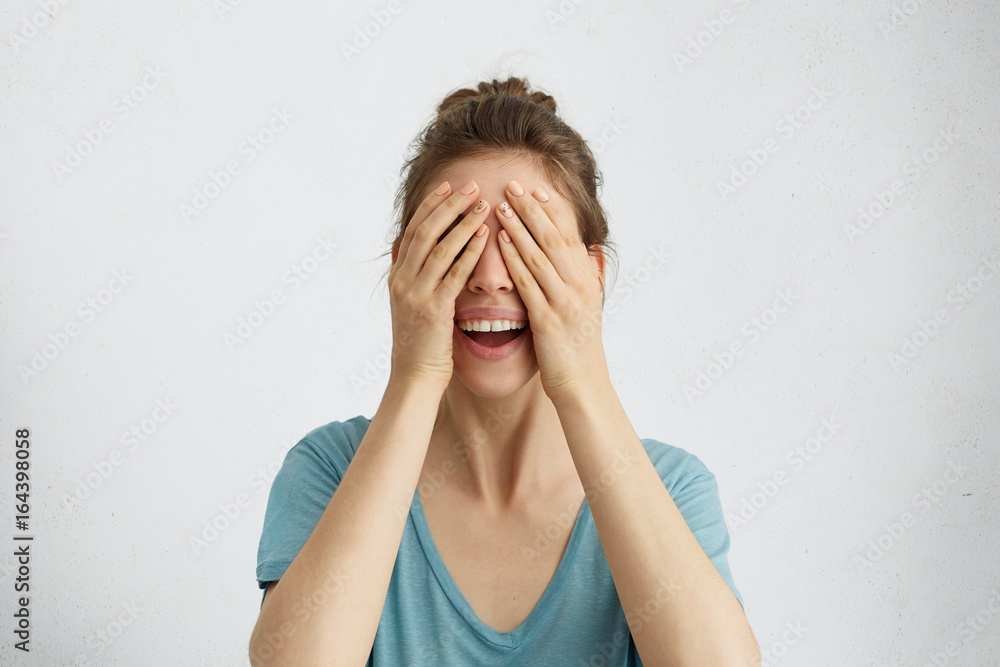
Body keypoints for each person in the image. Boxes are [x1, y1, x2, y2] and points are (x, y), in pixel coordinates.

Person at [249, 76, 759, 666]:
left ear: (592, 273)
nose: (489, 276)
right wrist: (414, 375)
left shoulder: (671, 487)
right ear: (405, 267)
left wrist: (582, 378)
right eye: (455, 239)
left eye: (526, 244)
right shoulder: (330, 470)